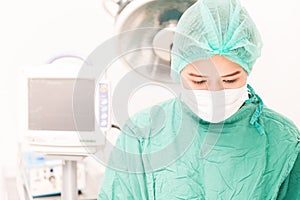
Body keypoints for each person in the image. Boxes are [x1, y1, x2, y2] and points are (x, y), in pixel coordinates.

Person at [98, 0, 300, 199]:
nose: (214, 93)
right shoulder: (142, 135)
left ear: (247, 69)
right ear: (178, 68)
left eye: (229, 80)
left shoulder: (283, 141)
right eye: (199, 80)